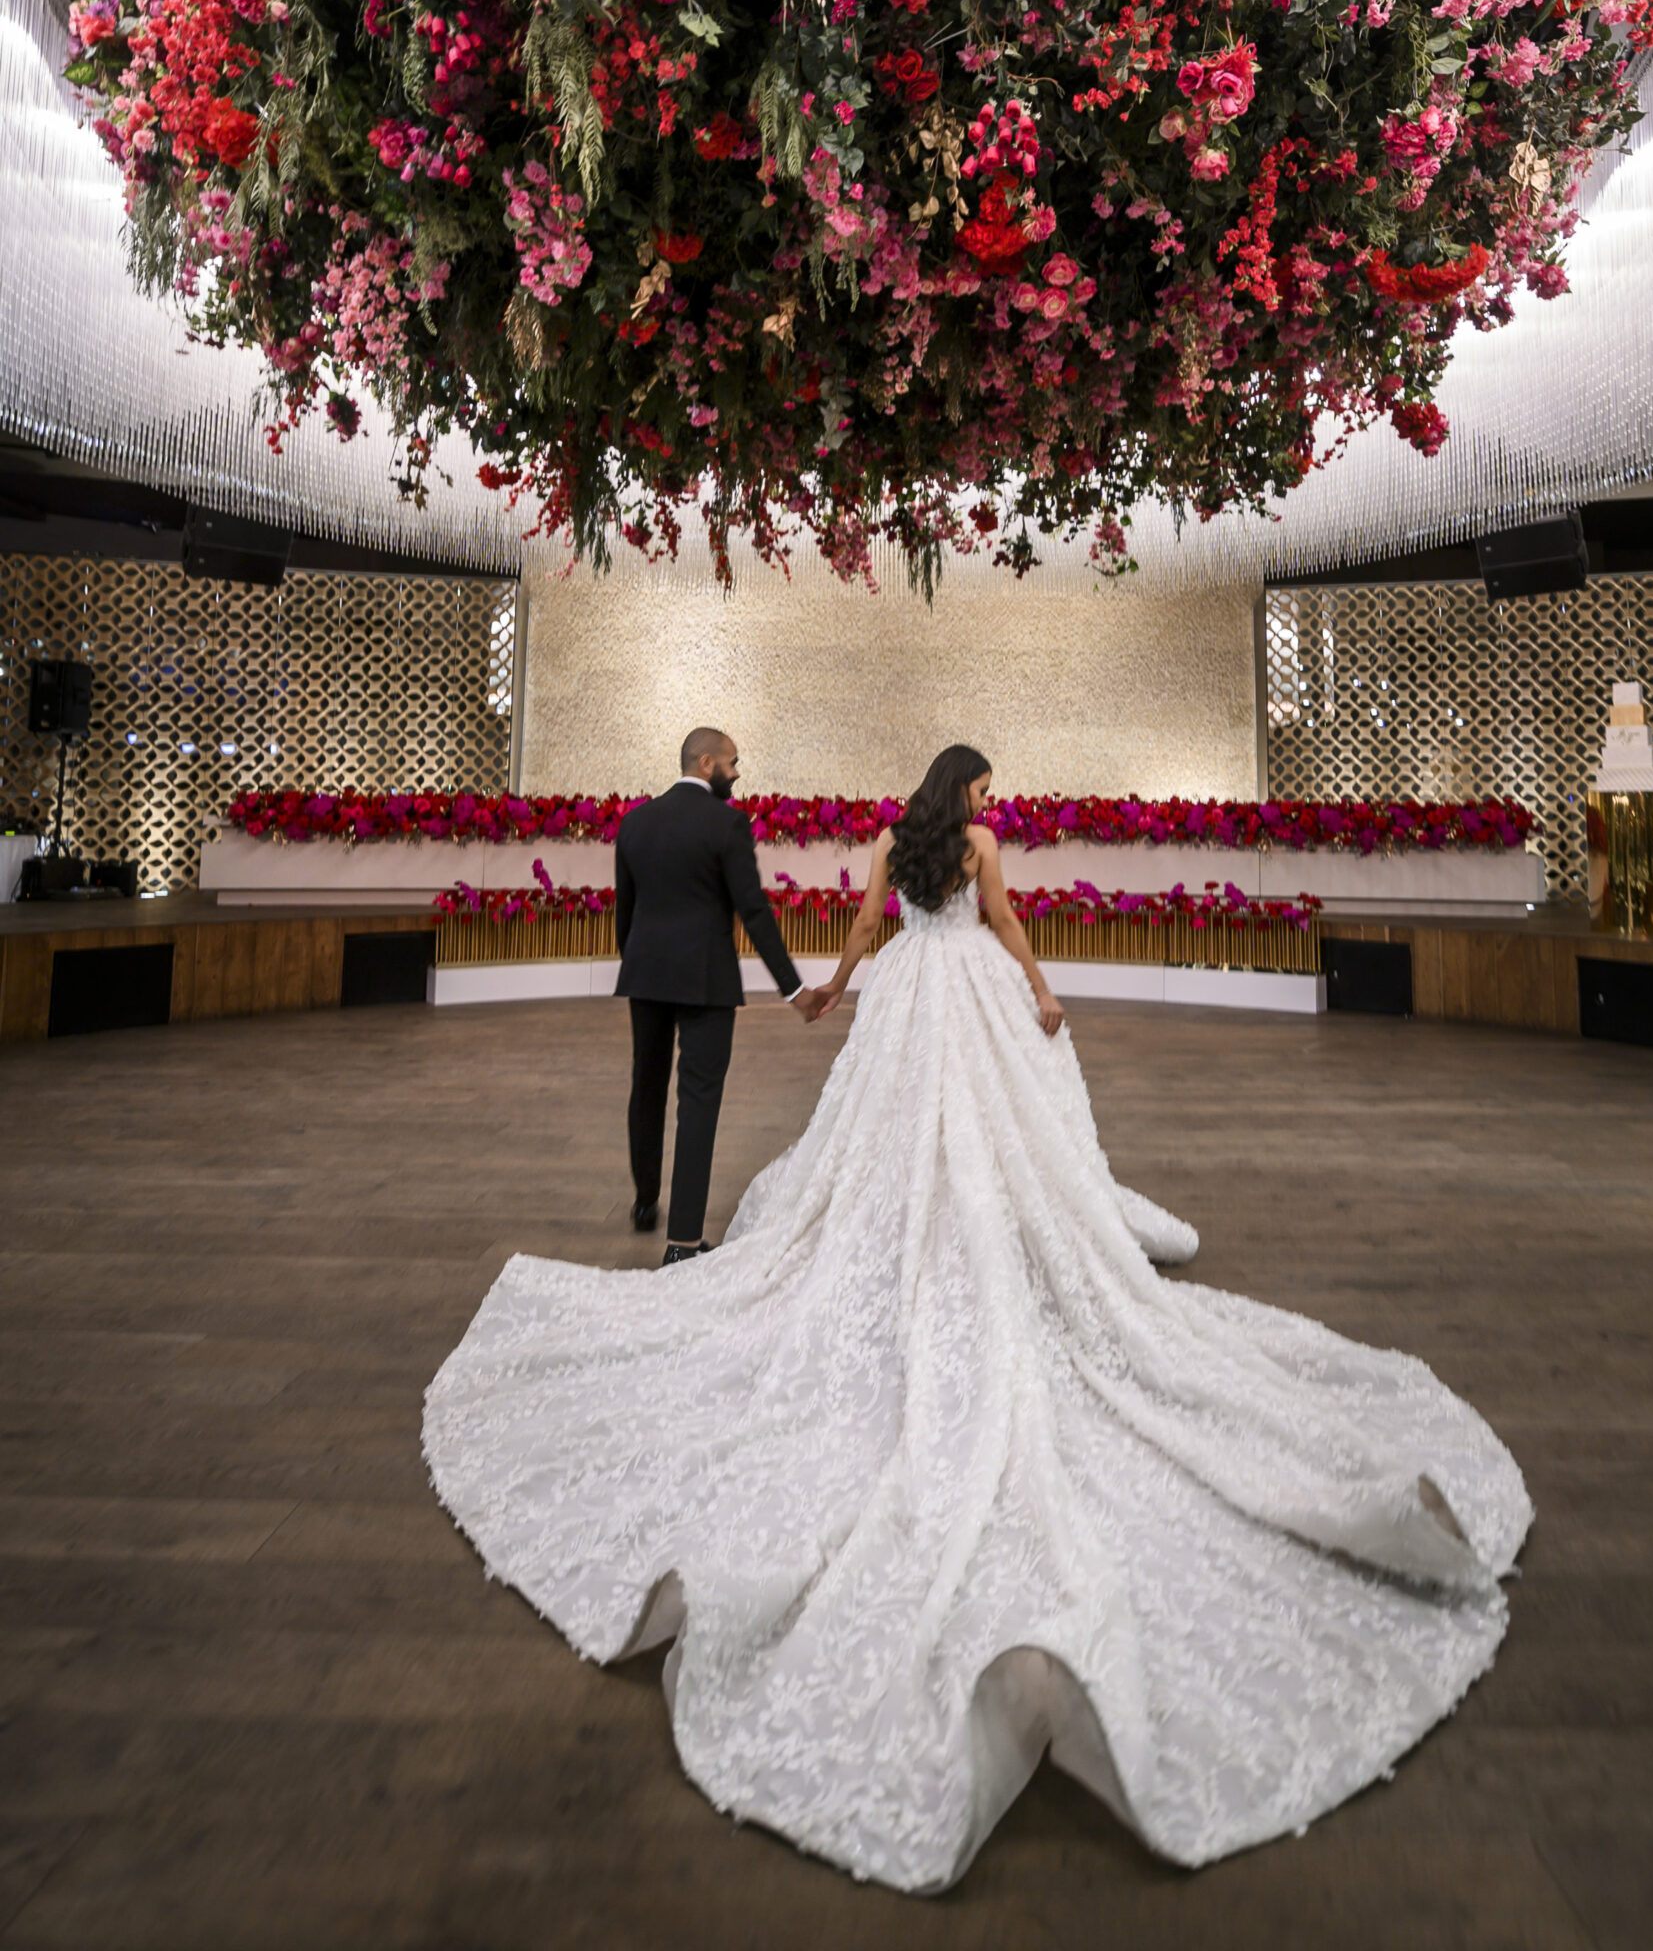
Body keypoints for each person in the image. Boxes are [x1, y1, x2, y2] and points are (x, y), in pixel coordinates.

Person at [426, 742, 1531, 1889]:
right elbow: (1005, 929)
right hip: (964, 1000)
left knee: (891, 1140)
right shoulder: (981, 849)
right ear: (966, 795)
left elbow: (864, 930)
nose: (998, 803)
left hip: (906, 1000)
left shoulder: (889, 847)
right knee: (984, 1140)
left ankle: (908, 1226)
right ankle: (958, 1234)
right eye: (990, 787)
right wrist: (1044, 991)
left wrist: (837, 993)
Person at [614, 726, 813, 1264]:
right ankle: (682, 1242)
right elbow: (753, 910)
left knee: (647, 1084)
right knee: (698, 1101)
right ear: (707, 763)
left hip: (646, 973)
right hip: (706, 978)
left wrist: (635, 963)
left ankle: (644, 1200)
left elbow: (625, 912)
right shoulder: (727, 823)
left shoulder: (634, 823)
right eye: (732, 762)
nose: (737, 772)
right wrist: (793, 988)